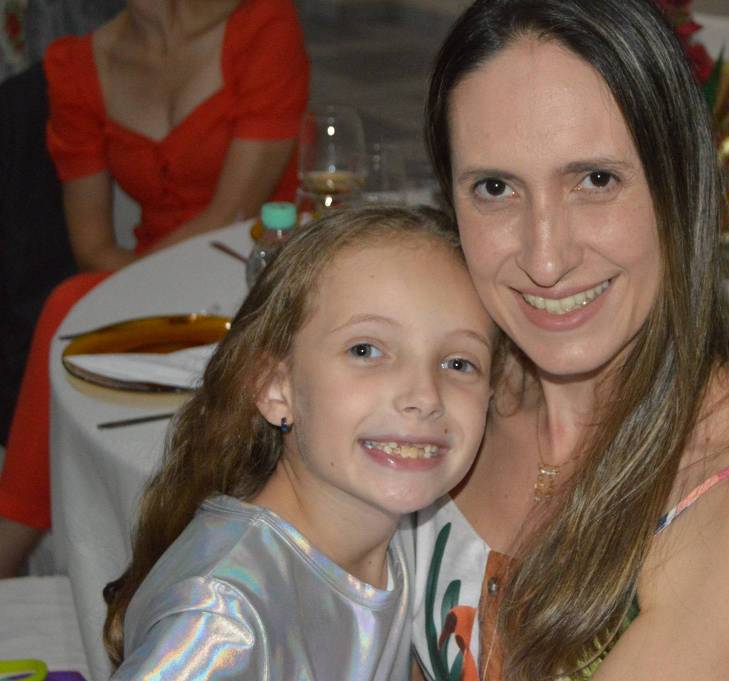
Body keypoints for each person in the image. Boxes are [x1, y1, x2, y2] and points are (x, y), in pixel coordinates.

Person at [411, 1, 729, 680]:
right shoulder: (452, 384)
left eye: (596, 180)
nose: (545, 258)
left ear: (682, 187)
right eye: (495, 187)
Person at [102, 205, 498, 679]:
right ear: (275, 388)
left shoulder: (404, 536)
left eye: (459, 363)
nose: (424, 396)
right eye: (366, 350)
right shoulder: (220, 620)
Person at [0, 0, 309, 577]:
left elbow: (233, 213)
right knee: (69, 300)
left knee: (70, 304)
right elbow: (92, 246)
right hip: (150, 280)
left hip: (259, 272)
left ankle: (12, 543)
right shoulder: (77, 66)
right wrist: (141, 290)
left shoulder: (261, 25)